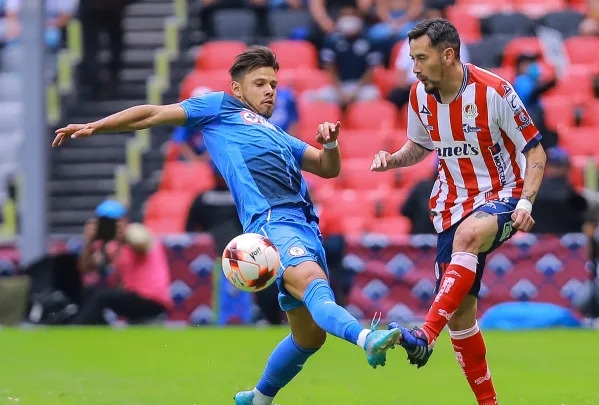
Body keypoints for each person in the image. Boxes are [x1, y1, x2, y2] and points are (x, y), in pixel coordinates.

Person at [52, 46, 401, 405]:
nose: (269, 90)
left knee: (309, 338)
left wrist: (330, 145)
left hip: (306, 227)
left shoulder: (277, 134)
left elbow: (328, 168)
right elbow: (153, 114)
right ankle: (365, 338)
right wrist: (97, 125)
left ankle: (257, 399)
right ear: (237, 89)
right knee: (314, 286)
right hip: (273, 223)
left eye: (273, 84)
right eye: (259, 83)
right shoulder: (220, 108)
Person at [370, 19, 547, 404]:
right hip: (450, 205)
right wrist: (392, 160)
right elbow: (419, 147)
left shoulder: (494, 91)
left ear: (448, 55)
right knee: (462, 318)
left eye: (421, 57)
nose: (414, 68)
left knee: (469, 238)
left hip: (502, 194)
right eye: (412, 58)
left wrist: (526, 201)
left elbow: (535, 150)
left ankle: (422, 336)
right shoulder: (420, 94)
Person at [74, 200, 171, 325]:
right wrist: (89, 242)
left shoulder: (137, 231)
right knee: (90, 292)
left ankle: (77, 327)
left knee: (101, 297)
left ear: (124, 220)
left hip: (151, 299)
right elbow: (87, 268)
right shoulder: (111, 245)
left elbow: (141, 244)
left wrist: (122, 234)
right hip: (132, 297)